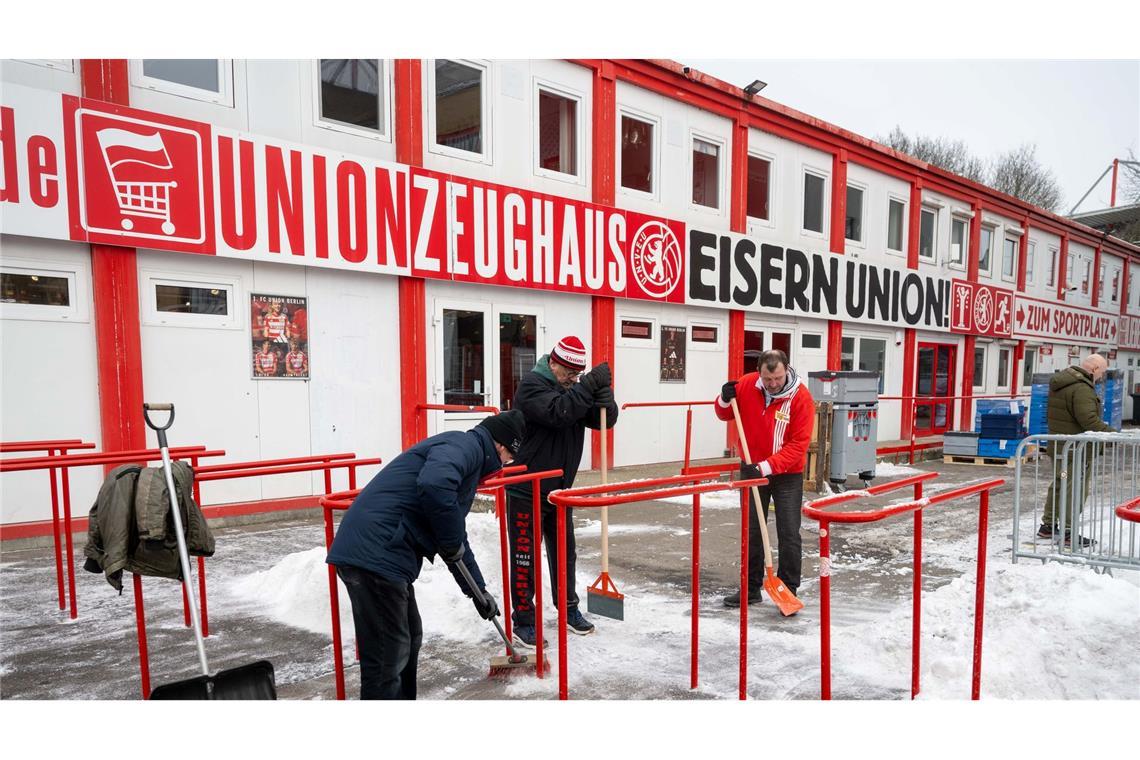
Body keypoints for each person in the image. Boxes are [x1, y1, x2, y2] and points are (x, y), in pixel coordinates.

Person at [326, 410, 526, 700]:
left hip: (386, 554)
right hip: (375, 552)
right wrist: (449, 541)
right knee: (387, 654)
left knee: (409, 637)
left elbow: (455, 538)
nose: (506, 465)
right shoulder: (464, 447)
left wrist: (478, 592)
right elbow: (435, 485)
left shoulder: (467, 456)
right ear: (501, 446)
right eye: (509, 458)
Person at [507, 335, 618, 648]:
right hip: (526, 489)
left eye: (577, 374)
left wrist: (604, 396)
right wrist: (587, 386)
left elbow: (604, 421)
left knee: (565, 554)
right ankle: (524, 620)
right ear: (553, 363)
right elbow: (559, 413)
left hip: (559, 491)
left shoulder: (573, 390)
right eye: (568, 372)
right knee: (524, 557)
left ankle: (568, 609)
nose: (572, 379)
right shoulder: (532, 386)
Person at [714, 349, 814, 607]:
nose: (772, 384)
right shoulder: (748, 384)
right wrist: (724, 399)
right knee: (752, 530)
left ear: (786, 370)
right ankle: (750, 587)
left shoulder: (801, 398)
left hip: (786, 473)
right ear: (760, 372)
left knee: (789, 531)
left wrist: (767, 467)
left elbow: (798, 446)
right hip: (750, 466)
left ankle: (788, 588)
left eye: (778, 379)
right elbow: (724, 413)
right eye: (768, 379)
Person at [1038, 353, 1113, 546]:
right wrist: (1111, 434)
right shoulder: (1082, 388)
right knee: (1076, 488)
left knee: (1060, 482)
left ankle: (1048, 525)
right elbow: (1088, 419)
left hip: (1061, 446)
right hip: (1076, 449)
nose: (1101, 377)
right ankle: (1069, 532)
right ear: (1095, 369)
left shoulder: (1063, 382)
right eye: (1102, 372)